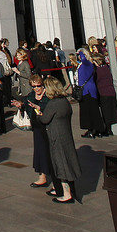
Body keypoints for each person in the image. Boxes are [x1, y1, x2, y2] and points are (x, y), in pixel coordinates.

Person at [34, 76, 81, 204]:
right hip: (66, 135)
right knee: (67, 161)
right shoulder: (65, 101)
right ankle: (65, 189)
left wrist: (38, 113)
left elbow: (44, 120)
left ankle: (66, 194)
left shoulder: (53, 103)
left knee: (60, 163)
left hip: (55, 136)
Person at [11, 73, 52, 191]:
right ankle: (42, 176)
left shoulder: (48, 96)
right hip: (38, 128)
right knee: (40, 151)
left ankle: (56, 179)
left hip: (48, 127)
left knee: (50, 152)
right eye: (33, 86)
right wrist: (20, 105)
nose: (36, 89)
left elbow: (52, 109)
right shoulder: (31, 96)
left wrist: (40, 108)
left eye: (38, 86)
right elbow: (25, 104)